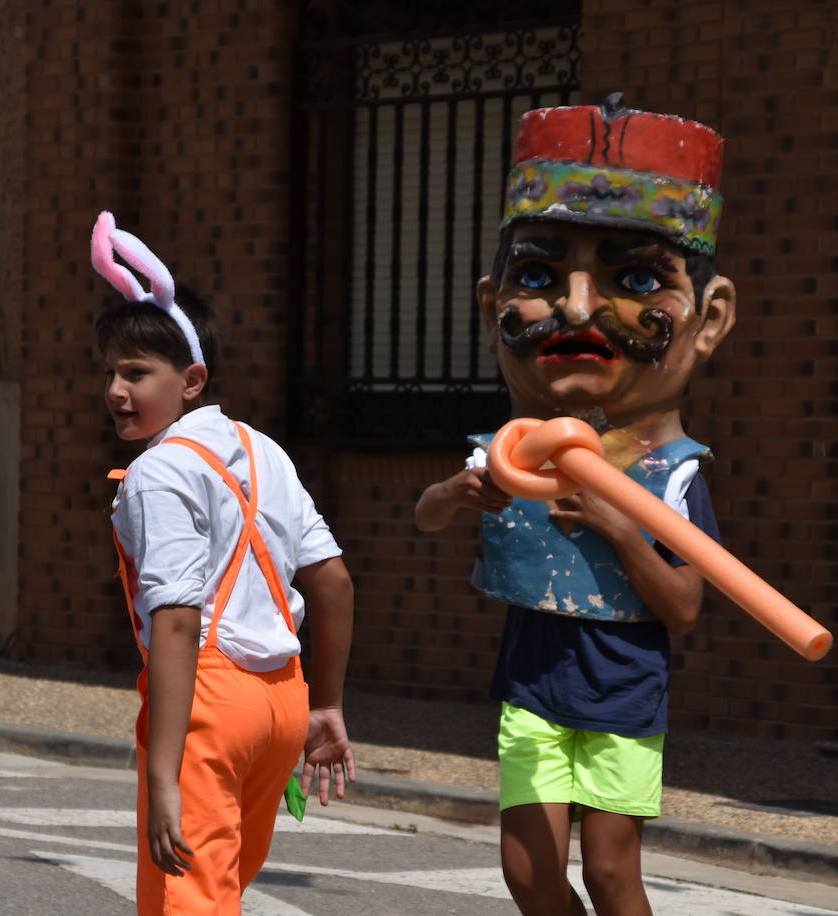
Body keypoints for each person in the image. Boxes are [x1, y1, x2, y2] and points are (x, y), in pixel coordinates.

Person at [415, 94, 736, 916]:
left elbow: (685, 605)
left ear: (709, 321)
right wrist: (457, 495)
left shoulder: (673, 474)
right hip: (531, 685)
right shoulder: (513, 450)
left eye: (635, 280)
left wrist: (622, 529)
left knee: (610, 874)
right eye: (538, 276)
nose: (579, 309)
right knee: (528, 874)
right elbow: (423, 516)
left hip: (623, 695)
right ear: (494, 306)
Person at [92, 211, 356, 914]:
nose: (117, 390)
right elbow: (331, 581)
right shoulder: (262, 447)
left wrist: (165, 771)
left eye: (137, 373)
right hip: (283, 699)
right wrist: (325, 705)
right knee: (221, 889)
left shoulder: (156, 473)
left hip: (209, 701)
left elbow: (176, 621)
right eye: (110, 373)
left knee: (190, 901)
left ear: (191, 379)